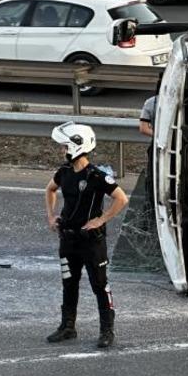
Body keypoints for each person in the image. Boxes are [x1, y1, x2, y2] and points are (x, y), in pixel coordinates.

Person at [45, 122, 129, 349]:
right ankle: (67, 327)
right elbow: (49, 189)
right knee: (69, 284)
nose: (61, 150)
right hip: (68, 239)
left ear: (76, 146)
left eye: (64, 146)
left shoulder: (97, 176)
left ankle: (107, 331)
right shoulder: (63, 172)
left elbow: (122, 198)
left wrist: (101, 220)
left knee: (100, 285)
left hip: (92, 242)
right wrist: (51, 216)